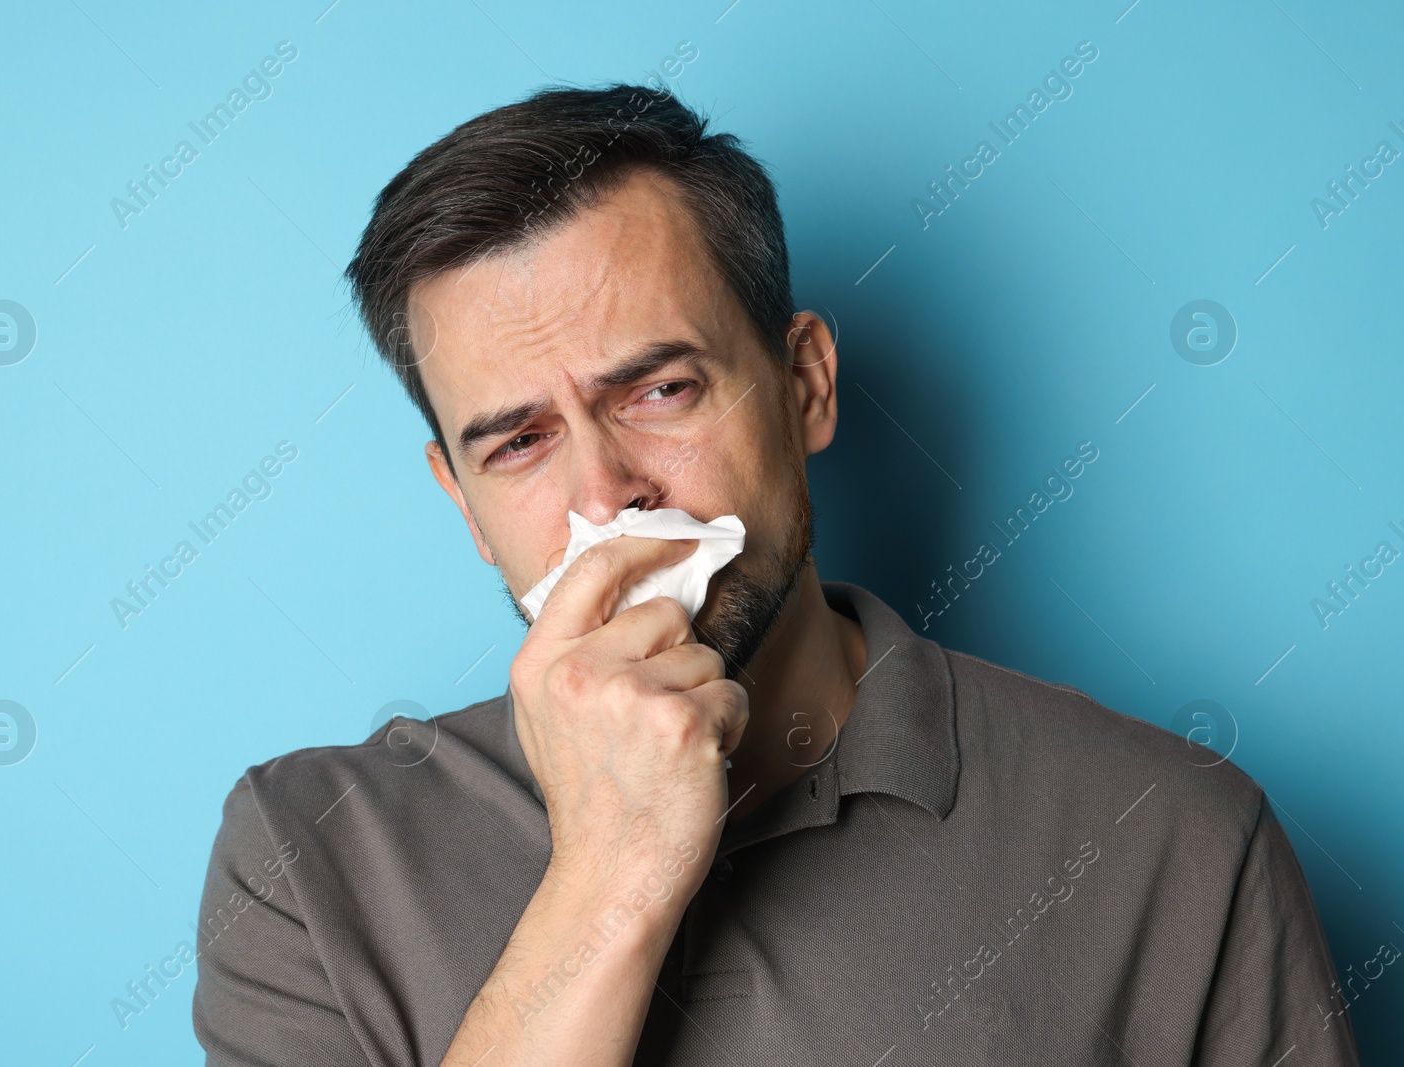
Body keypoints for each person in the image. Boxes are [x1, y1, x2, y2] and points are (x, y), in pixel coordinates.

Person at [191, 82, 1361, 1066]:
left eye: (659, 389)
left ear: (804, 383)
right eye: (520, 440)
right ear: (465, 503)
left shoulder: (1172, 839)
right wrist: (609, 877)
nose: (608, 495)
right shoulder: (308, 860)